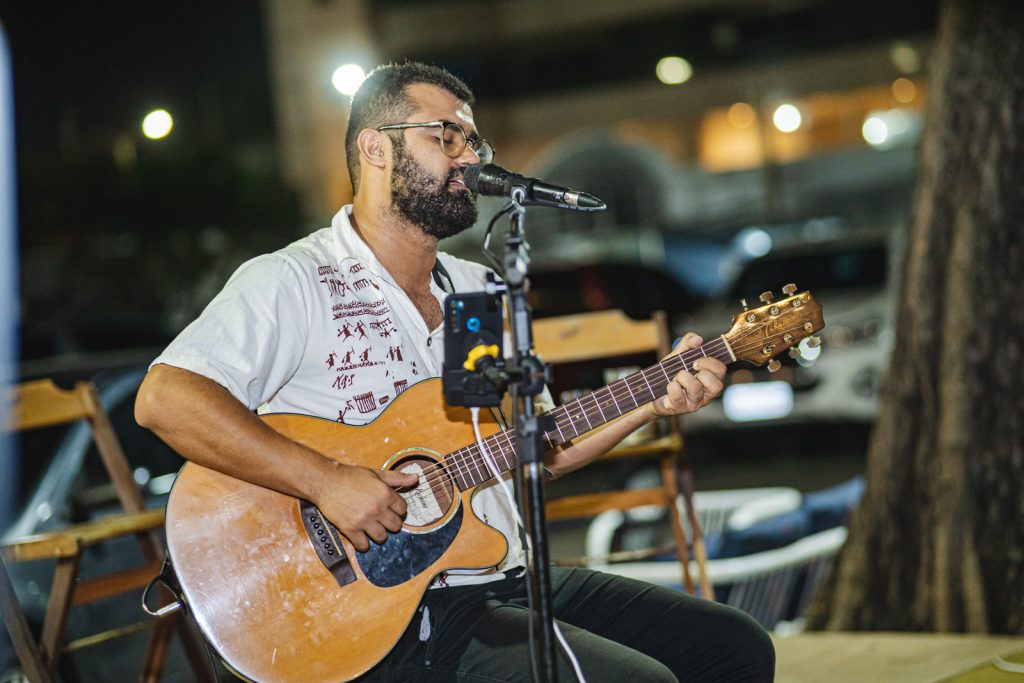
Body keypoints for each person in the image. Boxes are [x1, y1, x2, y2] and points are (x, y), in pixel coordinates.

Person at [135, 61, 774, 683]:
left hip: (506, 576)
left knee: (733, 648)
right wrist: (325, 481)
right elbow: (166, 399)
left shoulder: (475, 290)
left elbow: (535, 450)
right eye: (446, 136)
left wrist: (652, 400)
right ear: (375, 149)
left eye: (473, 140)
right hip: (386, 607)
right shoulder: (294, 281)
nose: (470, 157)